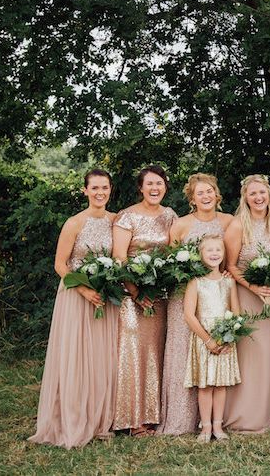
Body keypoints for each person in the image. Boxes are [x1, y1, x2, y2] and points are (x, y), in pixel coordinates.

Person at [28, 169, 118, 448]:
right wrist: (83, 289)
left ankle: (101, 419)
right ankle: (73, 417)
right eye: (95, 188)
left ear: (110, 190)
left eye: (104, 187)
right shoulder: (74, 223)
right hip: (77, 297)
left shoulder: (117, 221)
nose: (100, 192)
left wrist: (106, 287)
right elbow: (60, 264)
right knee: (77, 356)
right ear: (85, 191)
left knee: (103, 357)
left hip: (105, 297)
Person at [157, 173, 233, 435]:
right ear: (192, 198)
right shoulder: (180, 225)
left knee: (217, 353)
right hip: (186, 295)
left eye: (210, 191)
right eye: (200, 192)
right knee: (182, 351)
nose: (206, 196)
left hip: (217, 296)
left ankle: (217, 421)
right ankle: (181, 417)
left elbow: (231, 261)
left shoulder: (229, 222)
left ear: (216, 193)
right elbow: (171, 264)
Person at [112, 165, 178, 436]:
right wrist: (136, 293)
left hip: (161, 297)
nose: (154, 188)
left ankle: (153, 415)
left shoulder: (171, 215)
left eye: (159, 183)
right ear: (140, 188)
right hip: (132, 297)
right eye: (149, 184)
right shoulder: (127, 216)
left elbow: (175, 253)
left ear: (165, 187)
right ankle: (131, 419)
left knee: (156, 353)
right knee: (133, 353)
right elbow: (119, 257)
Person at [224, 174, 270, 432]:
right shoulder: (238, 225)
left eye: (262, 193)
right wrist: (253, 287)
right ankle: (244, 415)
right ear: (245, 198)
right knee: (249, 353)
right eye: (253, 194)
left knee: (269, 354)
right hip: (247, 296)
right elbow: (231, 266)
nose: (258, 198)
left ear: (269, 194)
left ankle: (267, 414)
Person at [184, 233, 241, 442]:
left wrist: (228, 337)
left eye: (218, 250)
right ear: (201, 254)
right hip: (203, 339)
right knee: (205, 385)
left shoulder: (229, 283)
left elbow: (236, 312)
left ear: (224, 253)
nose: (214, 254)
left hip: (225, 339)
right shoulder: (195, 282)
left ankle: (218, 426)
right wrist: (208, 340)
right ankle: (205, 427)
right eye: (209, 250)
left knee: (221, 384)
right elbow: (189, 315)